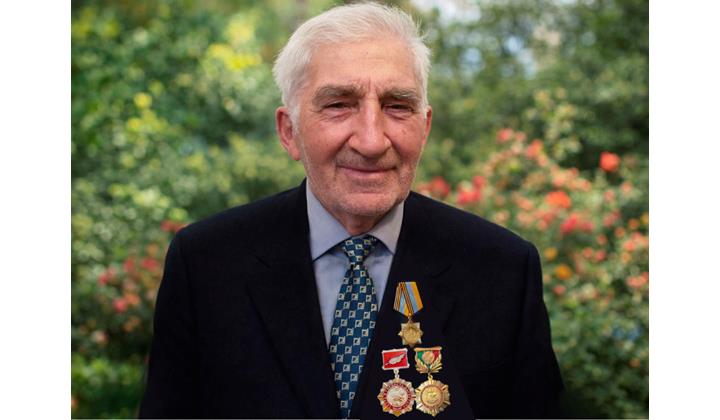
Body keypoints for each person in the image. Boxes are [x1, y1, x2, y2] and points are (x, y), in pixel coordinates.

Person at [139, 2, 563, 419]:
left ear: (425, 127)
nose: (372, 141)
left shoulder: (502, 269)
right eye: (339, 105)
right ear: (289, 132)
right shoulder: (206, 264)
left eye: (397, 106)